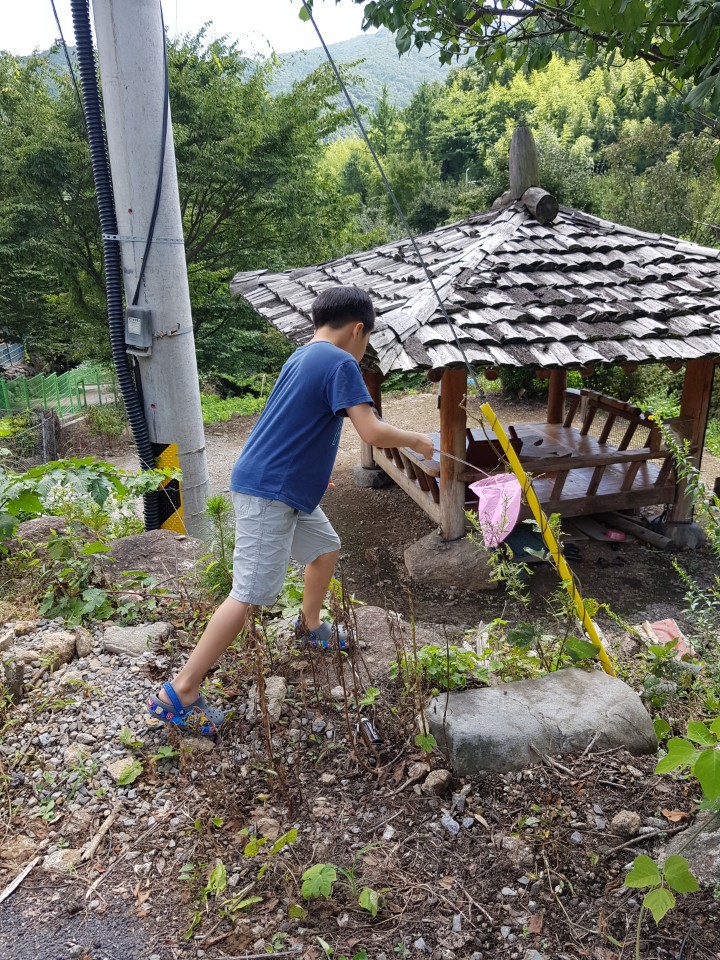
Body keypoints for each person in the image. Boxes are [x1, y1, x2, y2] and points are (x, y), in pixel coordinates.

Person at [147, 286, 434, 734]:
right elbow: (372, 432)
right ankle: (179, 691)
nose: (364, 349)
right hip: (270, 492)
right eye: (367, 340)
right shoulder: (340, 362)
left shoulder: (302, 356)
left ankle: (310, 625)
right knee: (248, 595)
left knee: (325, 548)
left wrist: (312, 472)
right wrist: (417, 440)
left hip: (282, 486)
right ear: (358, 330)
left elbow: (294, 424)